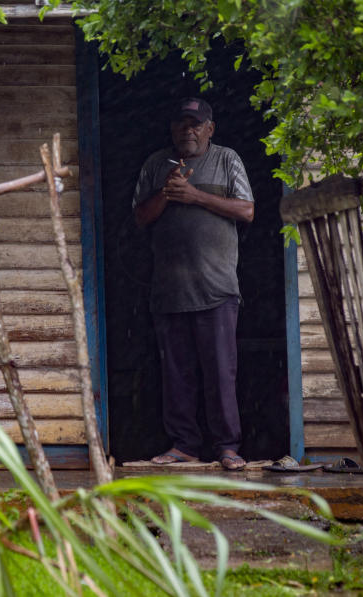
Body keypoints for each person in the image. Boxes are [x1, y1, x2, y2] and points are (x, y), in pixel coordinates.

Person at [132, 98, 254, 471]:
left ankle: (228, 447)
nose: (189, 130)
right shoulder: (157, 165)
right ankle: (184, 445)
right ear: (173, 128)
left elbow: (247, 210)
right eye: (182, 124)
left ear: (210, 129)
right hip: (169, 291)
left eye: (196, 124)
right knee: (176, 374)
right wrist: (167, 194)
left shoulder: (227, 159)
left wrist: (196, 195)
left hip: (216, 290)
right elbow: (139, 218)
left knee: (220, 372)